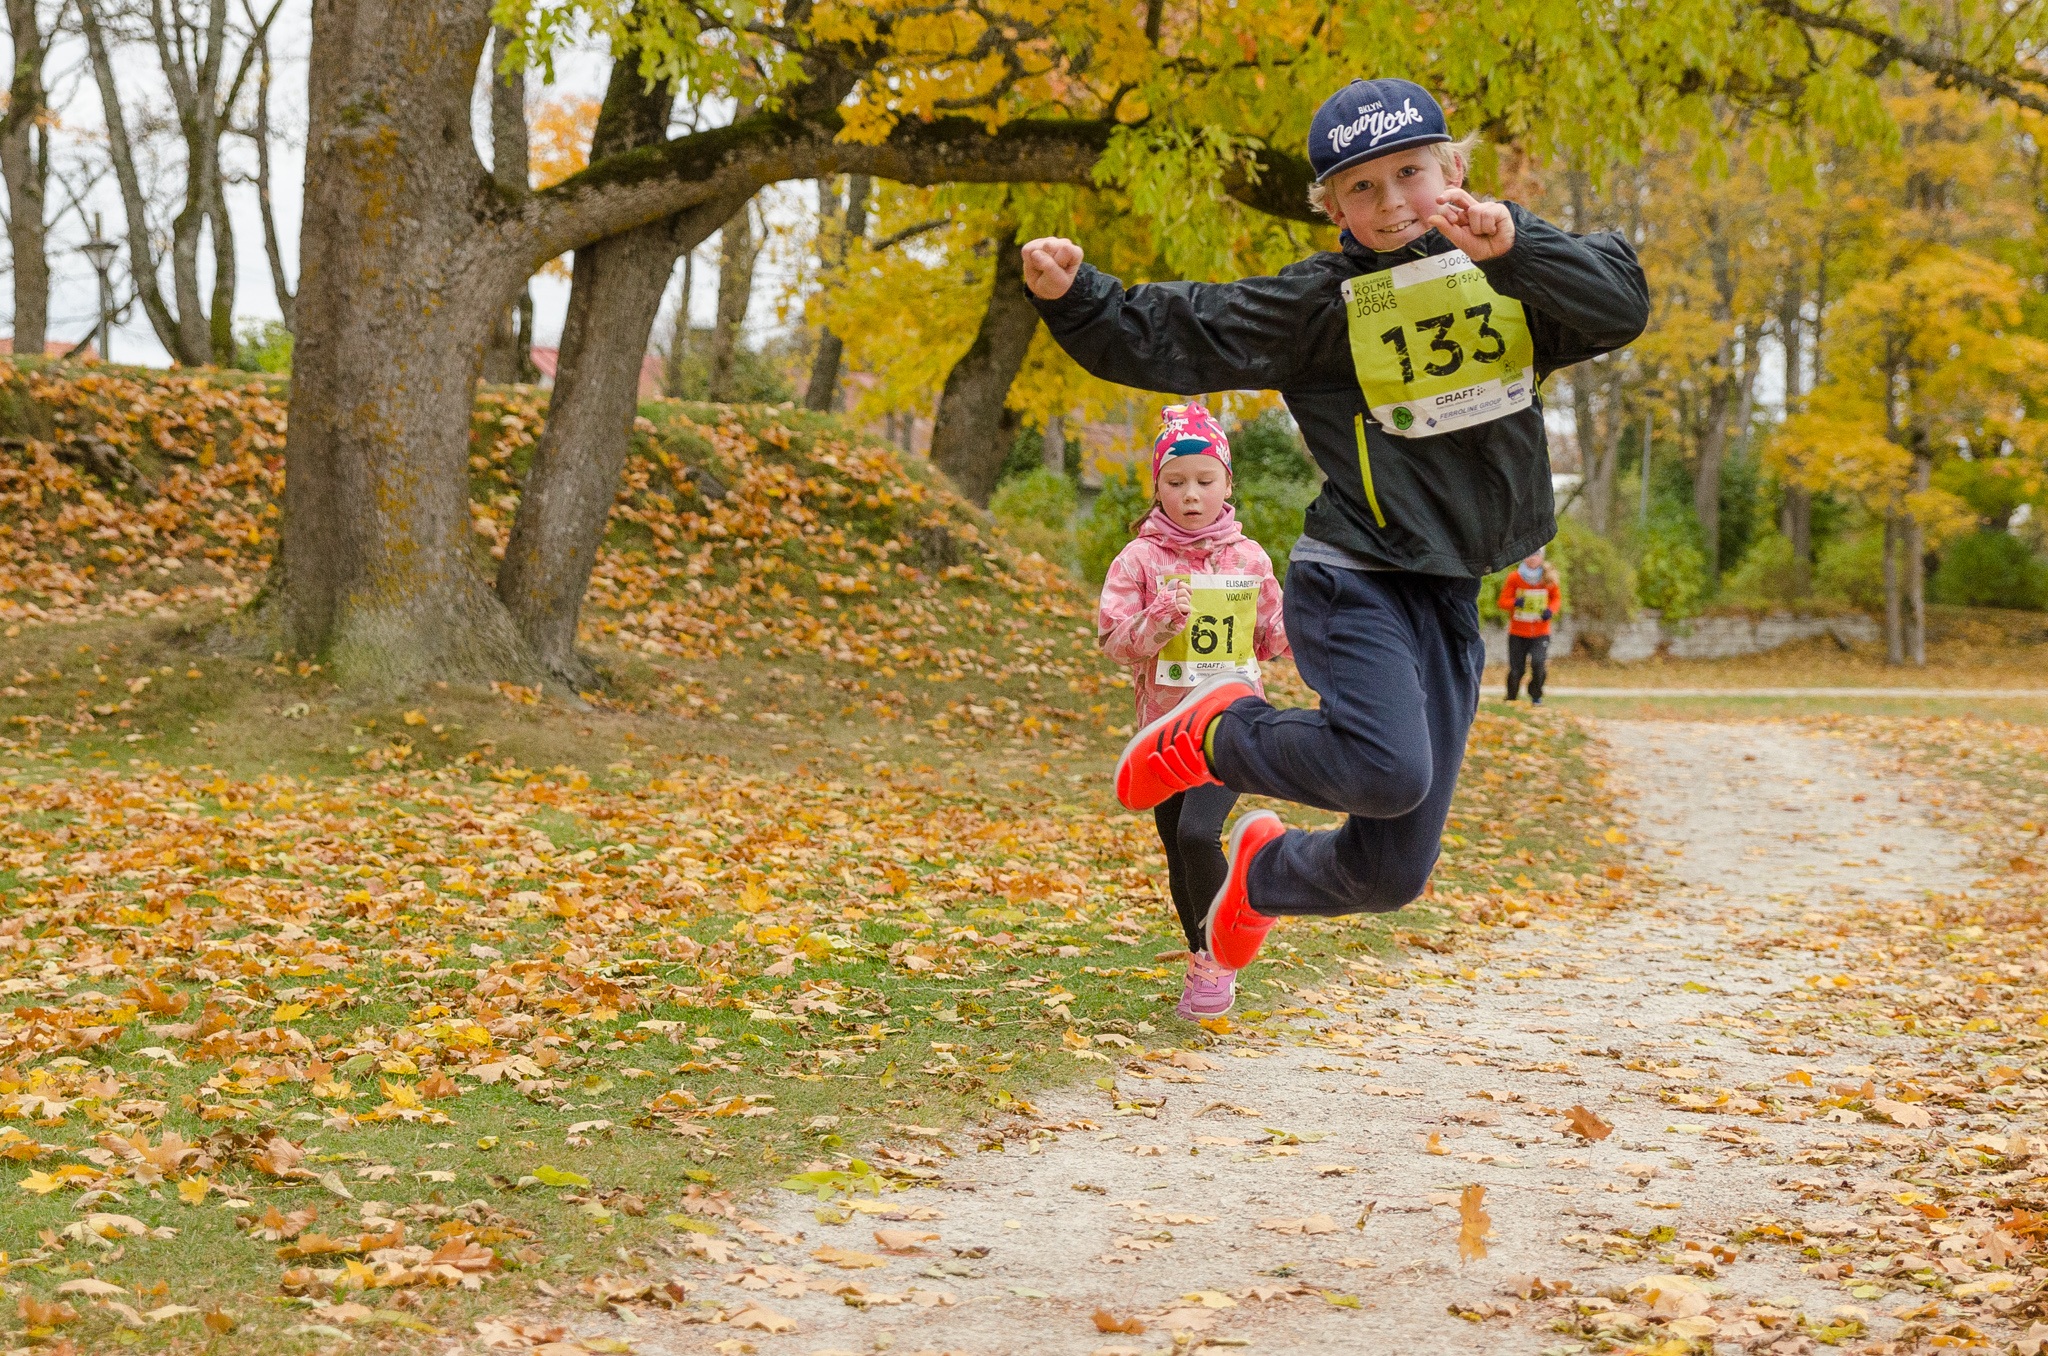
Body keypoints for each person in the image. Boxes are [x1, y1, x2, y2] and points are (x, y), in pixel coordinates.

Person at [1021, 76, 1647, 972]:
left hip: (1445, 590)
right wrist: (1082, 299)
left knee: (1391, 871)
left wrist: (1518, 245)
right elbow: (1191, 327)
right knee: (1389, 771)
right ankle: (1212, 733)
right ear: (1333, 208)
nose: (1393, 203)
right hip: (1352, 575)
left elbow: (1621, 303)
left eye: (1412, 173)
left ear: (1454, 169)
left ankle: (1259, 879)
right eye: (1363, 187)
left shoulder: (1511, 273)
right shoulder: (1323, 306)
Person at [1097, 402, 1287, 1018]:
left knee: (1198, 831)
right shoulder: (1140, 561)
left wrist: (1305, 621)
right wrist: (1158, 621)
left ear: (1227, 484)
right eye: (1175, 482)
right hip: (1163, 734)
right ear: (1157, 486)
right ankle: (1204, 962)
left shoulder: (1250, 559)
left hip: (1231, 723)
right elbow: (1114, 643)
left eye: (1205, 481)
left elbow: (1275, 642)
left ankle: (1229, 941)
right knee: (1180, 850)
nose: (1191, 495)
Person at [1498, 549, 1560, 704]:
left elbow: (1556, 600)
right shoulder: (1515, 577)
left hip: (1540, 631)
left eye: (1536, 555)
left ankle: (1536, 695)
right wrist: (1515, 603)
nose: (1532, 559)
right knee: (1516, 669)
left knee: (1538, 664)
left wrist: (1550, 611)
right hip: (1518, 631)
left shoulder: (1548, 577)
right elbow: (1502, 601)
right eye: (1529, 555)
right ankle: (1511, 697)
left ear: (1541, 557)